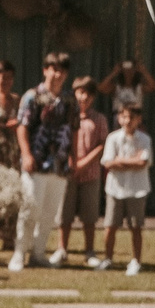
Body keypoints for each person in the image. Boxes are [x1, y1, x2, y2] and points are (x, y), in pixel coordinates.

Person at [11, 52, 75, 269]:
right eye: (54, 69)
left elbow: (71, 130)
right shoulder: (32, 96)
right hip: (37, 162)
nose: (58, 75)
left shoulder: (68, 99)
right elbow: (22, 127)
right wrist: (27, 154)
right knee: (30, 209)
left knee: (49, 213)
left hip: (60, 165)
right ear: (45, 70)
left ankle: (38, 254)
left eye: (62, 71)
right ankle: (19, 253)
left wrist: (72, 157)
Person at [101, 103, 153, 275]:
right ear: (119, 118)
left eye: (132, 117)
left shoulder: (145, 140)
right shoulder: (112, 138)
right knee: (110, 225)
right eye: (124, 116)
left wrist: (120, 161)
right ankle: (108, 259)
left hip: (137, 190)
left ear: (139, 120)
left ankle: (136, 261)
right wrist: (132, 161)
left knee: (136, 227)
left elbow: (143, 163)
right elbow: (108, 163)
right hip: (115, 189)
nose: (128, 121)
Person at [62, 75, 108, 267]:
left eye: (88, 95)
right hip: (69, 172)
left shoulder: (99, 119)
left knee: (89, 216)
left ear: (93, 97)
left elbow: (102, 145)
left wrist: (84, 164)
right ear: (74, 94)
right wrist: (72, 162)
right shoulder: (66, 116)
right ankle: (62, 249)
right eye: (80, 93)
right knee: (65, 214)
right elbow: (62, 142)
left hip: (90, 174)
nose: (84, 98)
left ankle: (89, 251)